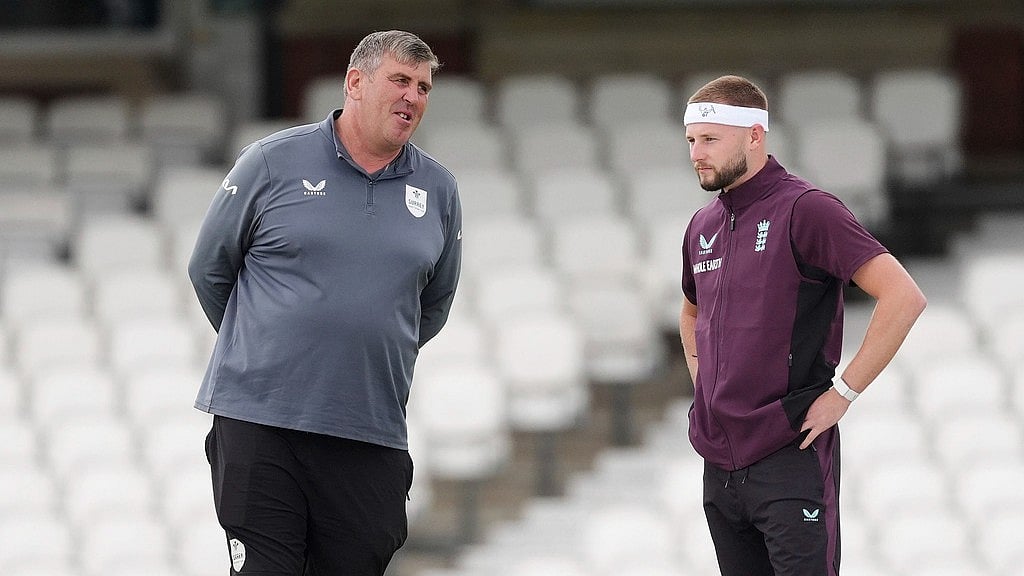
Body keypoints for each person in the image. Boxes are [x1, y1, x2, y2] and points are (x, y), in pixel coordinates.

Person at [188, 30, 462, 576]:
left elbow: (432, 304)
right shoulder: (270, 162)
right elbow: (209, 269)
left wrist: (357, 348)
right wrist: (268, 343)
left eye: (424, 87)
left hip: (370, 427)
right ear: (355, 83)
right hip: (261, 422)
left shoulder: (439, 189)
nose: (413, 97)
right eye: (400, 81)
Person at [678, 75, 926, 576]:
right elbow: (690, 310)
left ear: (754, 135)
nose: (696, 154)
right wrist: (705, 385)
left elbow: (904, 296)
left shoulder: (806, 209)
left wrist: (844, 394)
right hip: (719, 465)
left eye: (709, 139)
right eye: (690, 141)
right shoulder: (701, 226)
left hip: (789, 452)